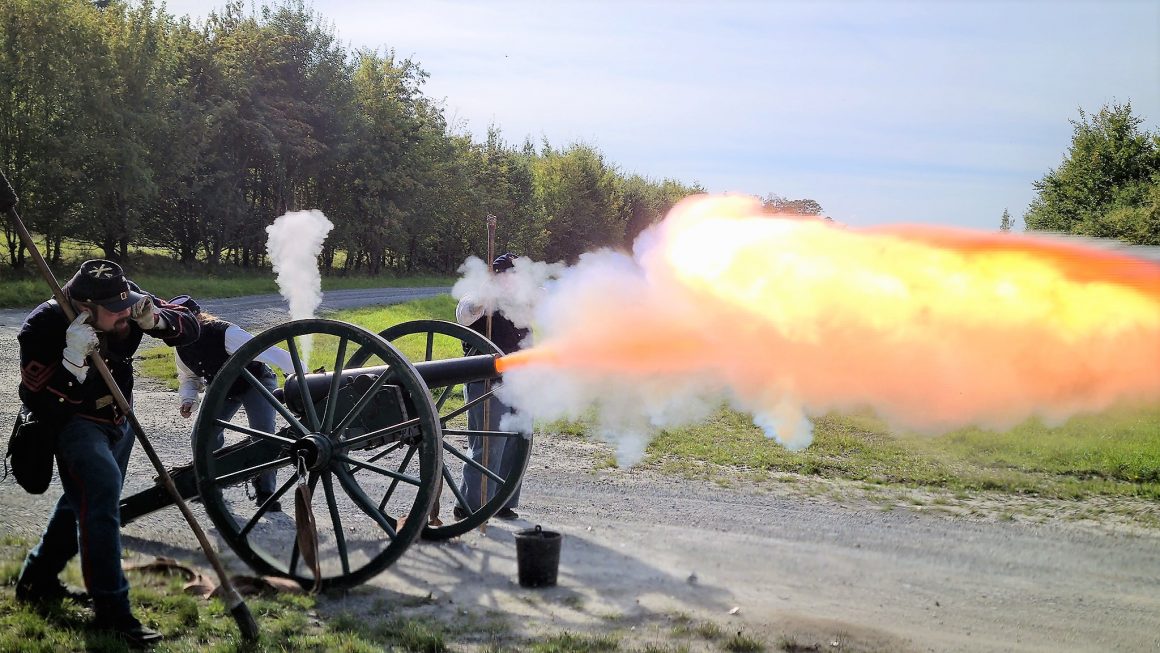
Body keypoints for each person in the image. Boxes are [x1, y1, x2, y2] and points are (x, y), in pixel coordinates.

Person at [14, 259, 200, 647]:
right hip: (74, 422)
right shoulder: (43, 326)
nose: (125, 314)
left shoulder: (122, 296)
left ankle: (37, 579)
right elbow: (41, 404)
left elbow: (192, 325)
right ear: (84, 308)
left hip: (120, 415)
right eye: (116, 311)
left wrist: (158, 322)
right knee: (100, 493)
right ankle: (113, 611)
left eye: (127, 305)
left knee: (81, 500)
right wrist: (72, 361)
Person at [168, 295, 294, 512]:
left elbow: (268, 351)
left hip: (254, 381)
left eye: (184, 321)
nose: (180, 328)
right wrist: (188, 399)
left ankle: (266, 491)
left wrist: (299, 373)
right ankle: (209, 485)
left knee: (263, 434)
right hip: (221, 387)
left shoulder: (225, 333)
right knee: (202, 435)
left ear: (197, 317)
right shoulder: (181, 347)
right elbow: (189, 378)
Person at [454, 252, 531, 521]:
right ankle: (469, 505)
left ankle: (503, 501)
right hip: (486, 381)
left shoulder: (522, 302)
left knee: (519, 442)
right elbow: (464, 315)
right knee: (488, 444)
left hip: (519, 380)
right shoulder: (477, 298)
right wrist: (484, 300)